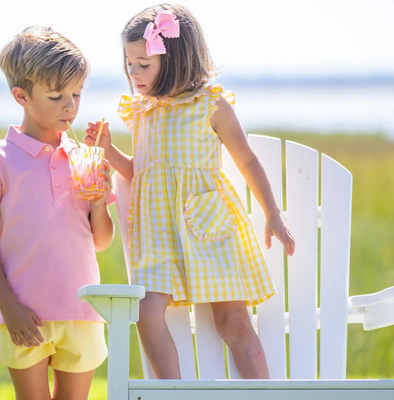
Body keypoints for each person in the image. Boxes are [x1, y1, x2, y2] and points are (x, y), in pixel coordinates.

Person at [85, 4, 295, 380]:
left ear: (176, 59)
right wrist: (108, 150)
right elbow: (142, 172)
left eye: (143, 64)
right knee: (147, 313)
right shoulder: (143, 112)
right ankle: (172, 391)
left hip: (207, 226)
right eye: (129, 63)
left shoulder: (210, 105)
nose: (133, 73)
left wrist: (272, 212)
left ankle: (263, 392)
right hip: (158, 235)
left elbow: (246, 160)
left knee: (232, 320)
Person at [0, 26, 114, 400]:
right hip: (22, 314)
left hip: (82, 310)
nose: (70, 106)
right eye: (56, 95)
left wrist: (99, 200)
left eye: (77, 94)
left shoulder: (84, 156)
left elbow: (101, 241)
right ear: (21, 95)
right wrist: (9, 307)